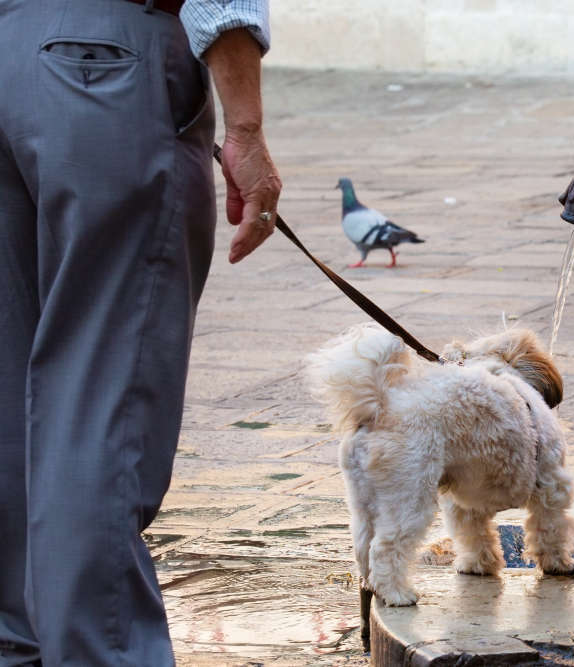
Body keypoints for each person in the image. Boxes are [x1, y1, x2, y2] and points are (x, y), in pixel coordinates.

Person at [0, 0, 282, 664]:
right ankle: (102, 651)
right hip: (102, 63)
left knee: (10, 399)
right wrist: (244, 124)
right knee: (100, 397)